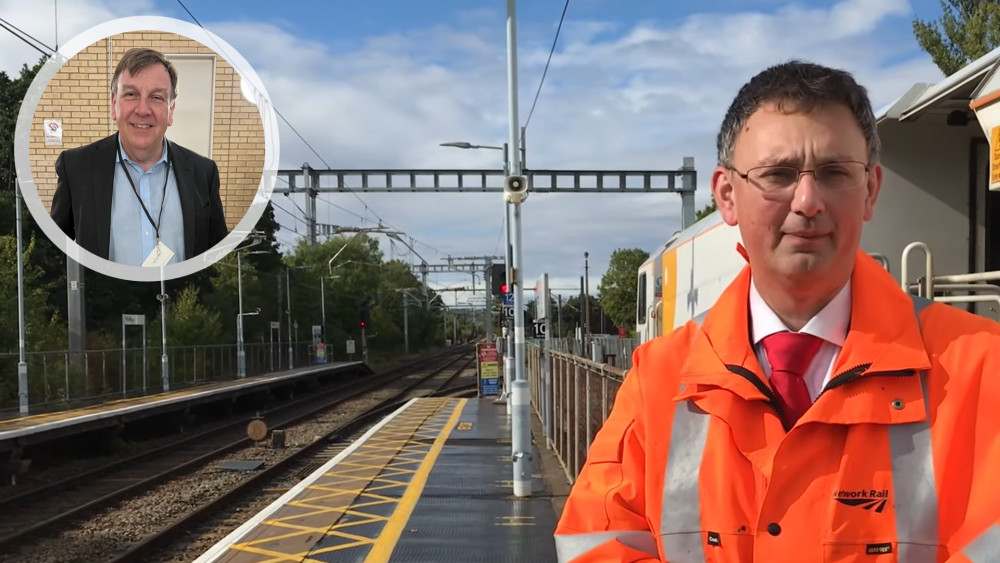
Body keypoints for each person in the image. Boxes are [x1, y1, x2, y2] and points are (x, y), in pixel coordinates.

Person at [554, 60, 1000, 562]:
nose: (807, 201)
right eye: (778, 175)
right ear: (727, 195)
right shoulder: (657, 379)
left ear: (870, 190)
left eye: (834, 173)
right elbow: (595, 544)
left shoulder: (983, 370)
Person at [50, 47, 228, 267]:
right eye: (131, 94)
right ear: (114, 105)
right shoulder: (75, 168)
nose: (143, 110)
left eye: (156, 97)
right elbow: (50, 255)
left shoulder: (204, 173)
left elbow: (219, 259)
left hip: (182, 300)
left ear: (171, 111)